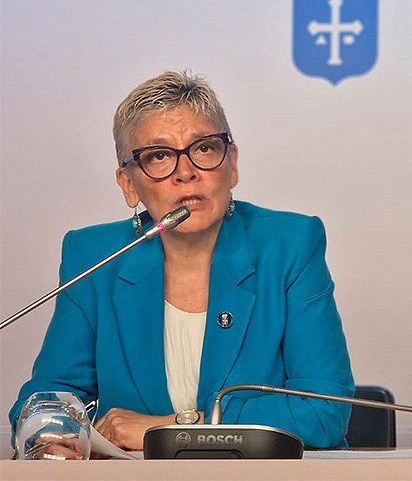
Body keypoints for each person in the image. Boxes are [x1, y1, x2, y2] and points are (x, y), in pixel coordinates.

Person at [9, 71, 355, 451]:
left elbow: (325, 412)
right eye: (158, 156)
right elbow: (48, 399)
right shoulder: (95, 256)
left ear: (232, 164)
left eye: (204, 149)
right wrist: (52, 438)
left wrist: (176, 427)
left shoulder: (289, 245)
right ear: (128, 184)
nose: (186, 172)